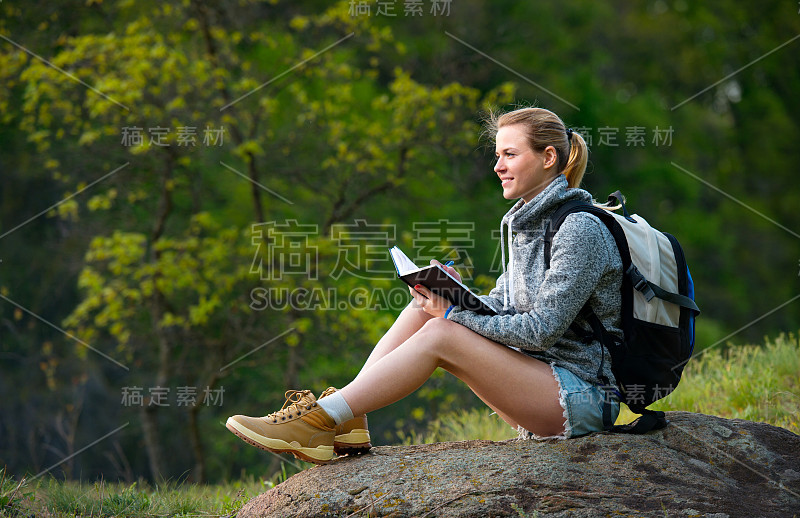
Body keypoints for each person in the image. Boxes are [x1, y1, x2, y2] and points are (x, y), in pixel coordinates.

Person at [226, 107, 622, 465]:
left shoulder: (579, 229)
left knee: (442, 332)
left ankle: (320, 419)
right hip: (537, 379)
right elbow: (503, 304)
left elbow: (540, 330)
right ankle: (348, 418)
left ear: (548, 158)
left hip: (581, 396)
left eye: (510, 154)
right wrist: (453, 293)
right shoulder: (527, 224)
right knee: (423, 306)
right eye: (497, 155)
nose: (498, 166)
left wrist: (453, 315)